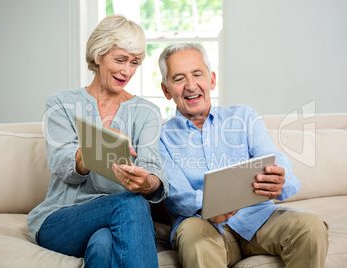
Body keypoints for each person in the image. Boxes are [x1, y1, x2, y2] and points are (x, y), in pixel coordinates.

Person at [158, 43, 329, 268]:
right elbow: (175, 194)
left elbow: (273, 159)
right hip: (201, 224)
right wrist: (210, 206)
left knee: (311, 225)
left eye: (197, 74)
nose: (191, 86)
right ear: (166, 90)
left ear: (212, 80)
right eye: (179, 78)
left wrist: (280, 178)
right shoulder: (160, 136)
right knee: (194, 236)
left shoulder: (244, 117)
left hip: (257, 220)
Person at [27, 15, 168, 267]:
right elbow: (63, 166)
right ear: (97, 56)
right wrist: (100, 146)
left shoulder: (147, 112)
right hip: (62, 218)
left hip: (117, 221)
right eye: (120, 59)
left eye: (134, 62)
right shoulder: (61, 103)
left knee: (103, 244)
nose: (127, 70)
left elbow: (152, 168)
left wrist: (147, 182)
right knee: (130, 204)